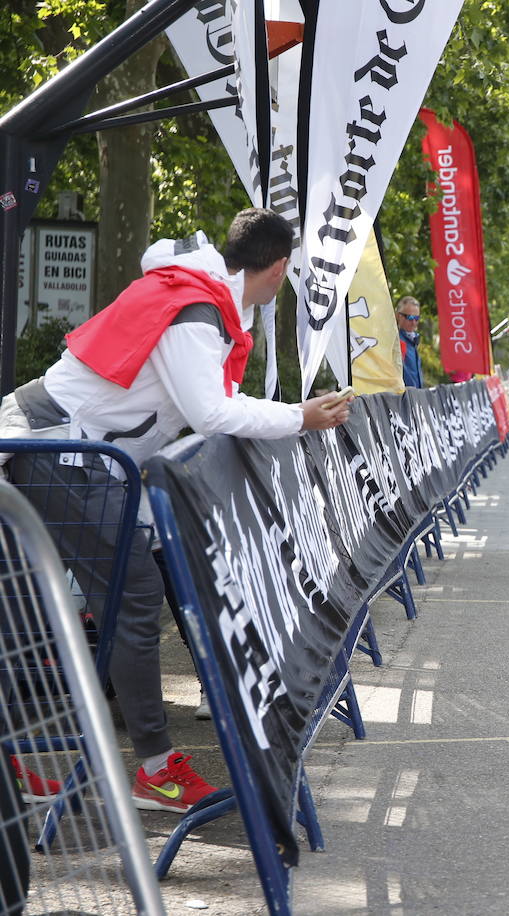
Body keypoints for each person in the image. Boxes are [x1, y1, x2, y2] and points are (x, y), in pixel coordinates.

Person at [0, 208, 351, 814]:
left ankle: (32, 766)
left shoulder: (197, 297)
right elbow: (212, 412)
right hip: (54, 448)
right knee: (131, 595)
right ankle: (156, 772)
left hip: (69, 452)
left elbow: (212, 401)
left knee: (46, 605)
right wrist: (299, 416)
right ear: (278, 268)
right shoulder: (197, 312)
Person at [396, 296, 423, 388]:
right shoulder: (397, 341)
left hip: (416, 397)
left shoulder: (413, 340)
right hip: (404, 397)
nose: (414, 322)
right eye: (410, 317)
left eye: (417, 318)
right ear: (399, 316)